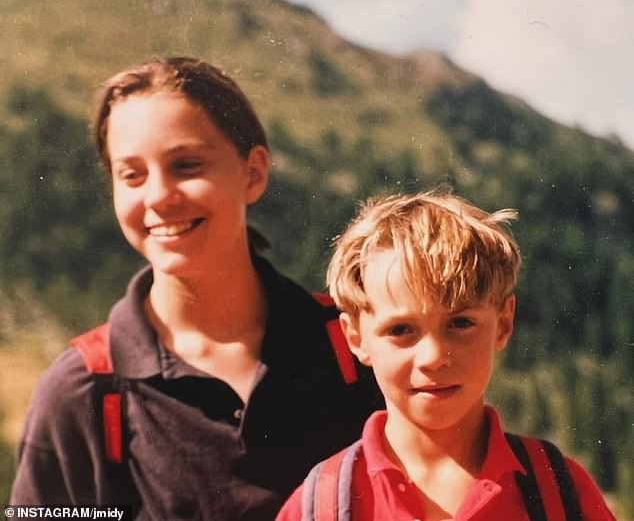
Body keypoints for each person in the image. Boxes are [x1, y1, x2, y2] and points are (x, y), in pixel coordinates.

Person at [10, 56, 382, 520]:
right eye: (131, 174)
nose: (159, 196)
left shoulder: (360, 346)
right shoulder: (84, 391)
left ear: (254, 172)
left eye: (186, 165)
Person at [276, 192, 616, 520]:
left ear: (503, 322)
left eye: (460, 323)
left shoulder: (560, 493)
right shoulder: (319, 508)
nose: (434, 357)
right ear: (355, 337)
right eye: (400, 330)